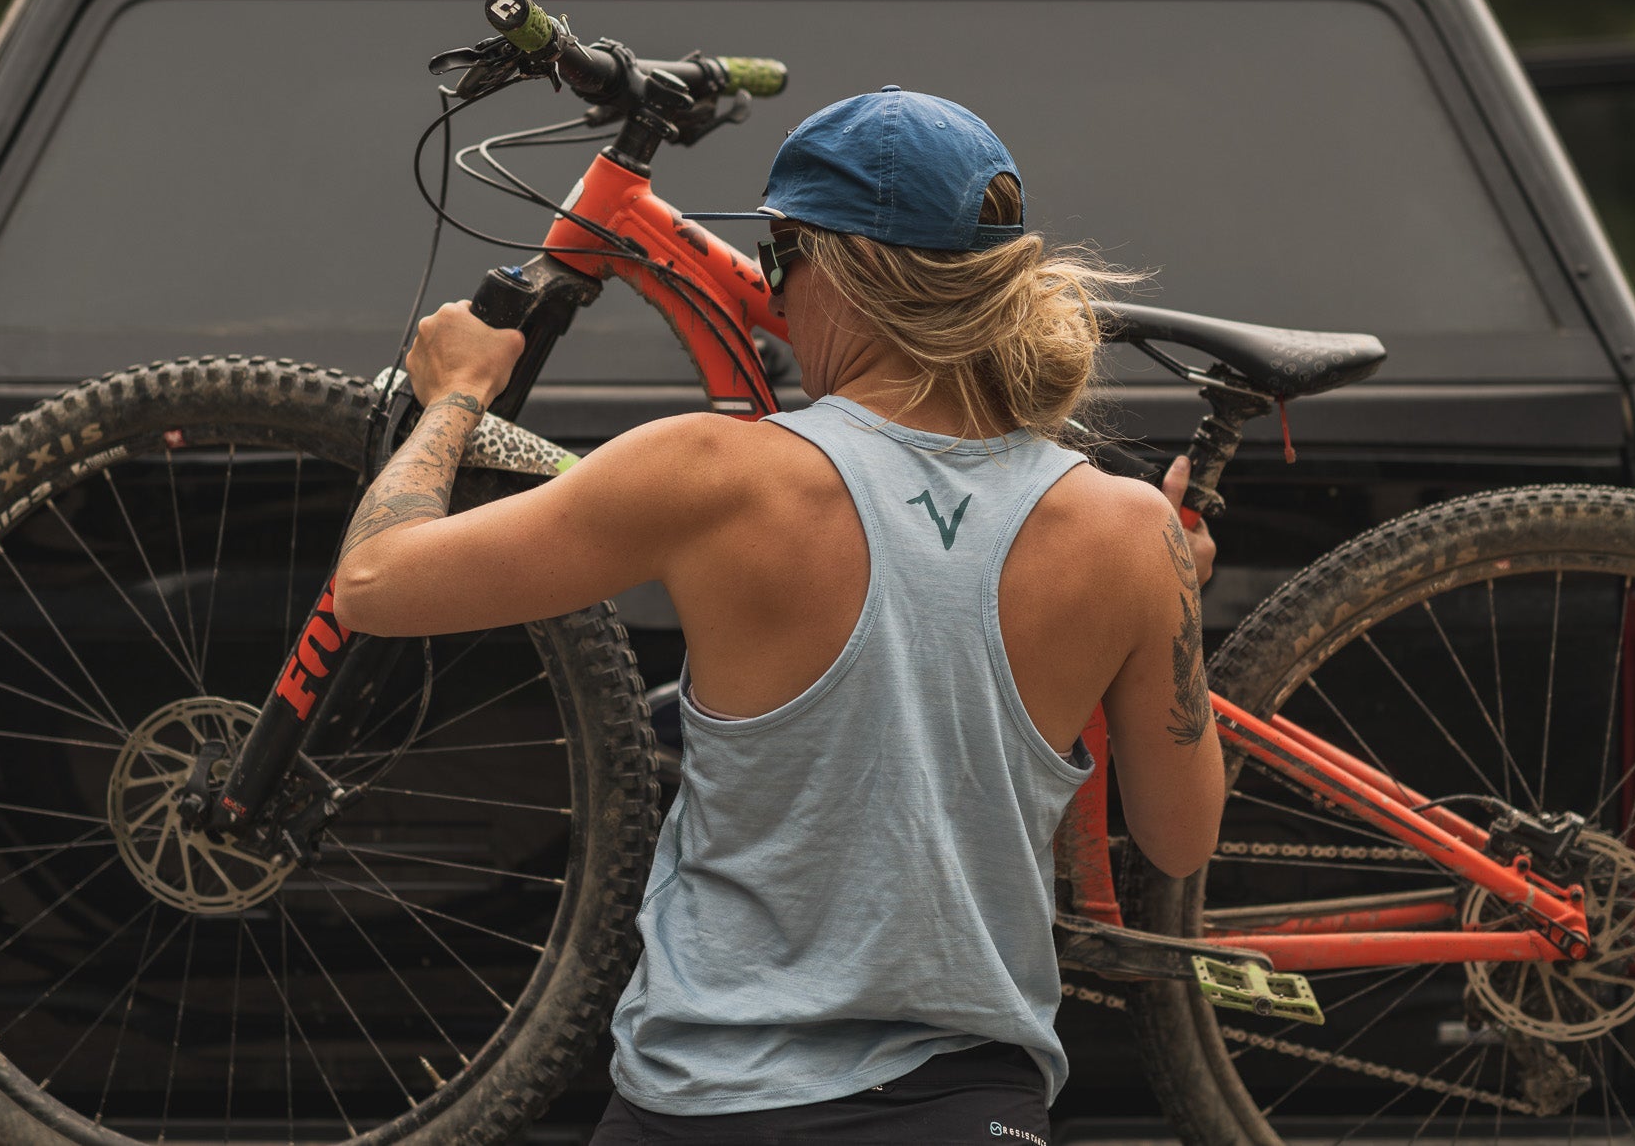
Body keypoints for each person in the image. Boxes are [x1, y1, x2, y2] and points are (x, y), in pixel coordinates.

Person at [334, 87, 1224, 1144]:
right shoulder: (1132, 535)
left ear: (831, 269)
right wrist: (1168, 597)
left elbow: (376, 584)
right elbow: (1178, 841)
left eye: (782, 260)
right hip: (968, 1112)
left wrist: (455, 395)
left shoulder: (712, 474)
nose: (769, 289)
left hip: (702, 1106)